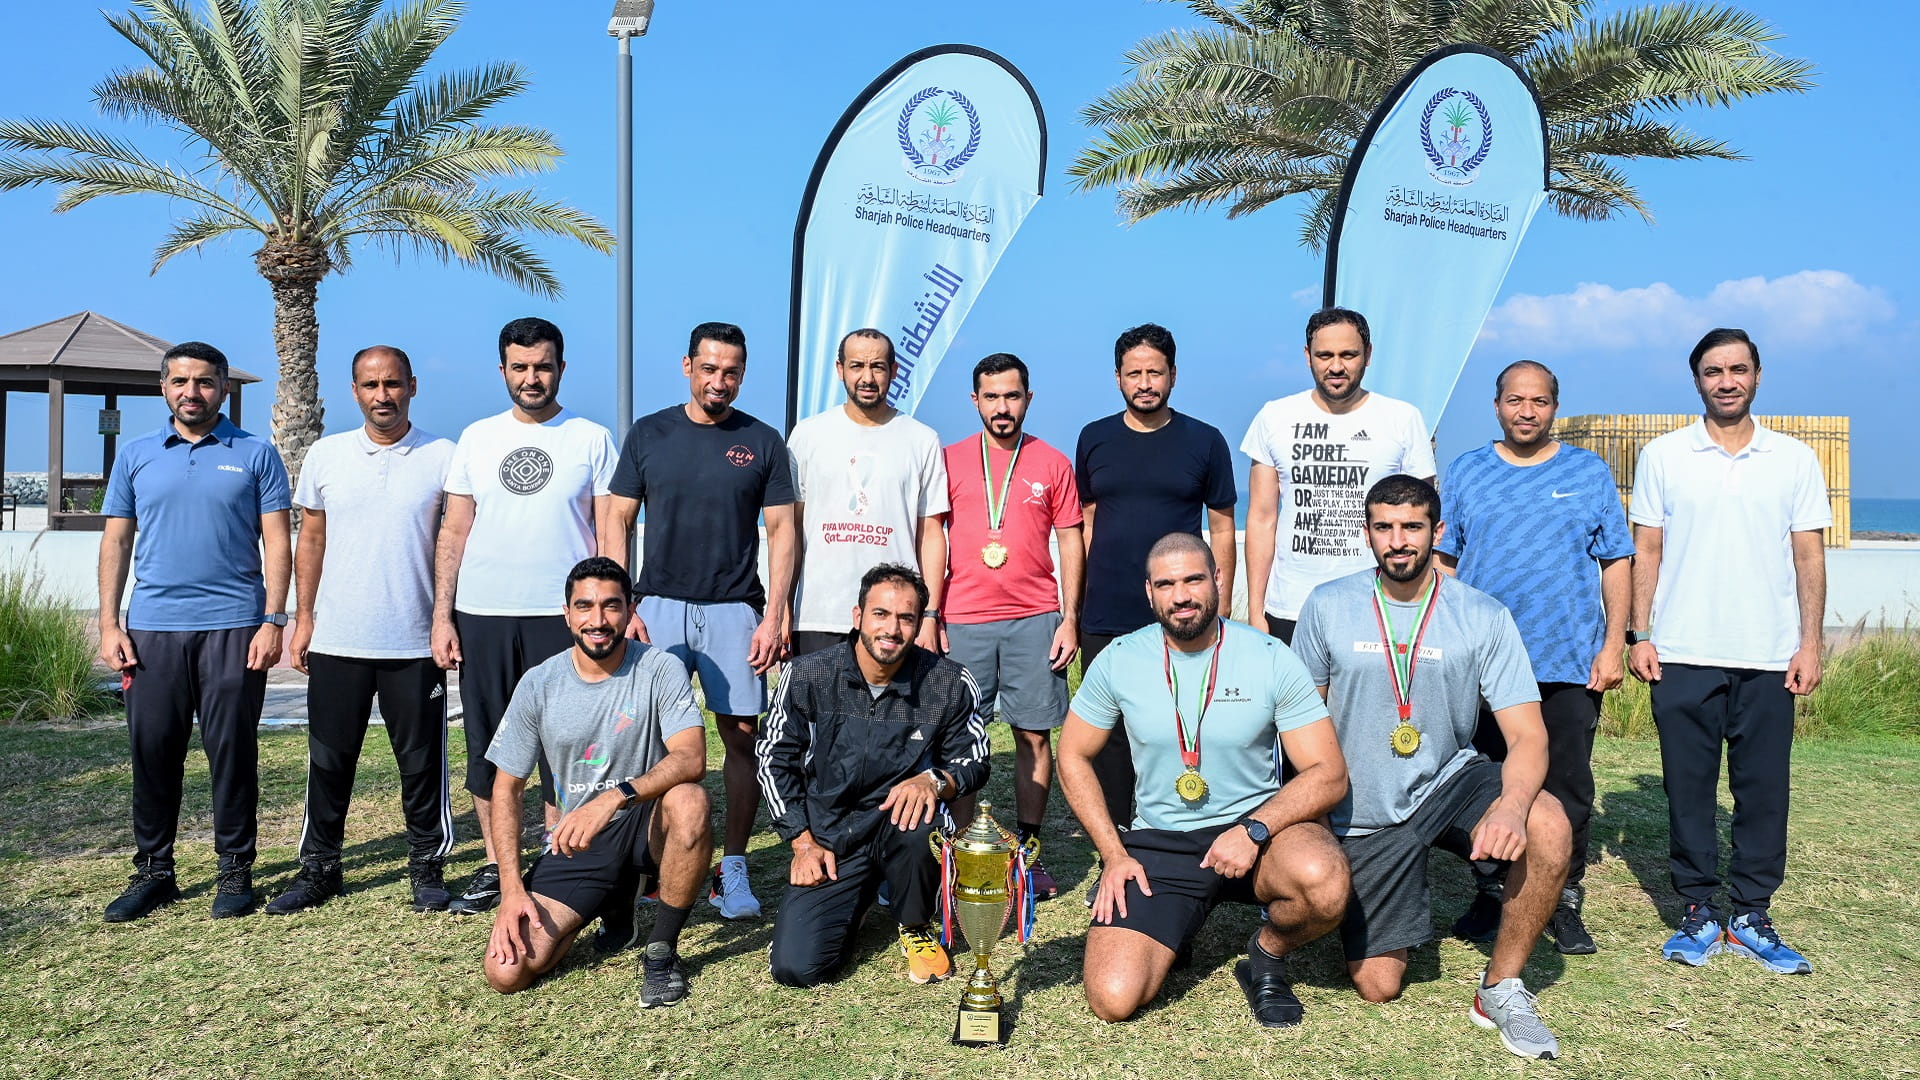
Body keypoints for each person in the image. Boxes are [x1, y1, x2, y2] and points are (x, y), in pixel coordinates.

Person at [1293, 475, 1571, 1060]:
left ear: (1436, 531)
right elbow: (1300, 726)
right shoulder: (1327, 605)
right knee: (1377, 986)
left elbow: (1527, 735)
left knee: (1549, 822)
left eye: (1413, 527)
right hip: (1359, 806)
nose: (1399, 541)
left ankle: (1501, 987)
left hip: (1449, 781)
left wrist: (1515, 808)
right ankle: (1376, 884)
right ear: (1366, 533)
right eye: (1385, 528)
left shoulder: (1482, 615)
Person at [1057, 533, 1349, 1027]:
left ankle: (1266, 954)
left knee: (1324, 884)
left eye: (1194, 578)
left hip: (1258, 834)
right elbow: (1072, 756)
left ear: (1218, 580)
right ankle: (1178, 925)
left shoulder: (1270, 656)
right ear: (1149, 592)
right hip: (1161, 841)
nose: (1182, 595)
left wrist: (1255, 829)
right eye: (1166, 584)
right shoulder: (1120, 659)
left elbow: (1329, 773)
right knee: (1114, 999)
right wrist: (1113, 854)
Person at [1629, 327, 1829, 976]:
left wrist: (1809, 644)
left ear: (1757, 376)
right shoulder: (1663, 455)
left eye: (1738, 369)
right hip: (1683, 650)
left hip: (1770, 654)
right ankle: (1698, 910)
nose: (1726, 380)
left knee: (1764, 791)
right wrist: (1641, 633)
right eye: (1713, 371)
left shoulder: (1794, 458)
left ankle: (1751, 914)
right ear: (1697, 381)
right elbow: (1647, 550)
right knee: (1689, 790)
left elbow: (1808, 554)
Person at [1435, 360, 1632, 954]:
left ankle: (1562, 900)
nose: (1527, 411)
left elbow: (1617, 558)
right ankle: (1492, 891)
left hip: (1567, 659)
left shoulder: (1588, 472)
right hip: (1483, 665)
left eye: (1540, 401)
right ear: (1496, 405)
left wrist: (1612, 644)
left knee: (1568, 785)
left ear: (1555, 408)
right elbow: (1445, 561)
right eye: (1515, 400)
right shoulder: (1467, 471)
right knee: (1488, 783)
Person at [602, 321, 795, 921]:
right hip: (655, 607)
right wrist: (622, 604)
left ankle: (731, 867)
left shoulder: (762, 441)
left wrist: (777, 613)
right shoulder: (649, 433)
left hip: (736, 609)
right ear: (688, 366)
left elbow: (784, 530)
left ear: (742, 374)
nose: (720, 381)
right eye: (709, 369)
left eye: (731, 371)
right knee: (643, 738)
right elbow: (617, 520)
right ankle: (641, 862)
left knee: (741, 739)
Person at [97, 341, 292, 922]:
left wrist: (273, 619)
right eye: (180, 381)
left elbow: (277, 541)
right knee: (153, 752)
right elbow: (116, 542)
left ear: (223, 389)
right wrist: (111, 624)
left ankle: (236, 870)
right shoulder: (135, 456)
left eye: (204, 382)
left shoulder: (256, 454)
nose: (192, 392)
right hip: (153, 630)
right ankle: (154, 871)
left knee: (231, 752)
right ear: (164, 387)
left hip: (234, 627)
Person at [433, 317, 618, 916]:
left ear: (561, 368)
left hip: (561, 619)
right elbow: (453, 531)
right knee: (490, 746)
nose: (531, 378)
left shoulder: (590, 438)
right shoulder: (477, 438)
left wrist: (610, 611)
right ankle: (495, 862)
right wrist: (443, 616)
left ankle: (560, 859)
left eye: (542, 366)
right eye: (520, 367)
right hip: (483, 614)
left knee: (565, 746)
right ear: (503, 370)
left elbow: (609, 530)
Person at [267, 346, 458, 915]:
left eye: (393, 384)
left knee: (422, 763)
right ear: (354, 391)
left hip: (415, 644)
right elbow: (312, 541)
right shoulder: (326, 456)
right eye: (371, 384)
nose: (383, 395)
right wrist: (303, 620)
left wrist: (447, 621)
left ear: (412, 386)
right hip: (337, 643)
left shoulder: (444, 456)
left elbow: (457, 541)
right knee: (328, 760)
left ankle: (427, 864)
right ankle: (319, 868)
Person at [481, 558, 712, 1004]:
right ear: (567, 614)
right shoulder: (539, 683)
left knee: (690, 800)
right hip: (578, 838)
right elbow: (505, 789)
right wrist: (511, 891)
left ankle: (661, 950)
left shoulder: (660, 668)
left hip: (645, 819)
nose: (598, 620)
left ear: (629, 611)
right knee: (506, 972)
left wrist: (615, 797)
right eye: (584, 606)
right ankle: (611, 899)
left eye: (611, 606)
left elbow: (691, 757)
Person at [758, 564, 989, 987]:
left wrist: (933, 781)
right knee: (796, 967)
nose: (892, 629)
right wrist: (802, 843)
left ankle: (915, 924)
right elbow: (774, 760)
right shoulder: (806, 675)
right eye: (880, 614)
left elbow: (975, 758)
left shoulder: (949, 682)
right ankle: (857, 895)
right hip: (831, 835)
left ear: (920, 623)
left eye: (906, 618)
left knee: (923, 821)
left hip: (900, 824)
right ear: (857, 616)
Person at [1074, 323, 1237, 845]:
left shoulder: (1205, 440)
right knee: (1111, 736)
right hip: (1106, 609)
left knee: (1187, 723)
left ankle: (1185, 830)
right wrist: (1073, 609)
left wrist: (1222, 602)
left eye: (1155, 372)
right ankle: (1118, 842)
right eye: (1134, 373)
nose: (1145, 382)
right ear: (1118, 377)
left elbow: (1222, 527)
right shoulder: (1093, 437)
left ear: (1173, 375)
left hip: (1182, 609)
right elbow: (1087, 520)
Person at [938, 353, 1083, 901]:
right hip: (963, 619)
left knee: (1032, 736)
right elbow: (933, 538)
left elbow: (1071, 540)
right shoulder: (949, 460)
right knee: (959, 743)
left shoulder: (1051, 462)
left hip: (1035, 619)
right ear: (975, 400)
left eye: (1012, 396)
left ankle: (1029, 853)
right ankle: (956, 856)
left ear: (1028, 397)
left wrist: (1069, 618)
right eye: (992, 397)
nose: (1003, 407)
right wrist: (932, 616)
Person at [1244, 307, 1435, 645]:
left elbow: (1423, 524)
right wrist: (1256, 612)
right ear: (1307, 356)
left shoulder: (1402, 419)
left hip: (1378, 606)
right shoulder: (1275, 417)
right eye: (1324, 355)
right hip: (1290, 608)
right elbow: (1261, 518)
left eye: (1348, 354)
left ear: (1368, 355)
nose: (1336, 366)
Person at [787, 329, 948, 658]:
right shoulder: (807, 435)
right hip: (820, 614)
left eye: (877, 366)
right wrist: (783, 608)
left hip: (896, 619)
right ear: (839, 369)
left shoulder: (922, 440)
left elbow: (931, 534)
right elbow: (791, 533)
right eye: (857, 365)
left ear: (894, 371)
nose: (867, 377)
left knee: (896, 711)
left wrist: (929, 615)